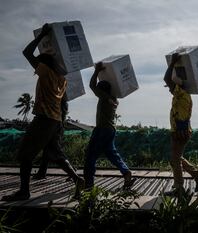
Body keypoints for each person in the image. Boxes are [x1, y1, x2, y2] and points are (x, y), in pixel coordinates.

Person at [1, 24, 84, 201]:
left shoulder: (45, 72)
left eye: (38, 64)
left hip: (44, 120)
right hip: (55, 121)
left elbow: (26, 52)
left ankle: (24, 192)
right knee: (56, 154)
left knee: (25, 155)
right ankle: (78, 180)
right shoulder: (62, 80)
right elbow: (63, 102)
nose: (35, 68)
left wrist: (43, 35)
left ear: (43, 64)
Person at [83, 62, 135, 190]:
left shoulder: (104, 97)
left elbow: (91, 85)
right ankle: (126, 173)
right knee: (112, 154)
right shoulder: (113, 98)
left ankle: (88, 184)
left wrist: (97, 71)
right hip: (110, 130)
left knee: (90, 156)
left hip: (102, 130)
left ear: (102, 90)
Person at [163, 53, 198, 196]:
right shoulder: (183, 95)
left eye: (171, 86)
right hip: (180, 130)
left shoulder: (181, 93)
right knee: (176, 158)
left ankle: (179, 188)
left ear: (177, 85)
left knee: (175, 160)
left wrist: (172, 62)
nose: (168, 88)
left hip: (180, 131)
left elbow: (167, 78)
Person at [32, 94, 70, 180]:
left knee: (55, 151)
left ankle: (74, 174)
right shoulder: (62, 103)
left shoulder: (58, 103)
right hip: (56, 128)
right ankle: (42, 172)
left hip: (53, 128)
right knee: (48, 150)